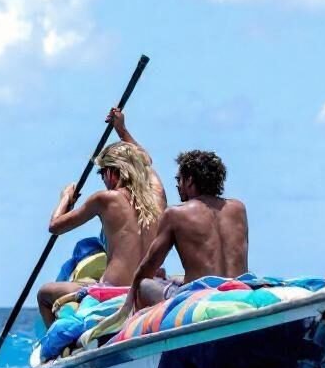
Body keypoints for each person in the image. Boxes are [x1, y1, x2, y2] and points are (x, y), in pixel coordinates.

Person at [36, 116, 165, 325]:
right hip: (149, 286)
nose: (104, 181)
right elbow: (146, 161)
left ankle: (59, 352)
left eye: (103, 173)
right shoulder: (157, 195)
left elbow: (55, 226)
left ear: (113, 172)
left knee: (44, 294)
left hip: (114, 291)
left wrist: (65, 198)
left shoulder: (105, 199)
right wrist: (122, 130)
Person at [128, 149, 249, 312]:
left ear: (190, 180)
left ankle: (137, 326)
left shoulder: (176, 214)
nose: (177, 185)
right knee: (175, 278)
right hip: (238, 290)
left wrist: (128, 301)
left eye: (179, 179)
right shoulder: (238, 209)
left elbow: (148, 266)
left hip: (200, 298)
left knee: (144, 284)